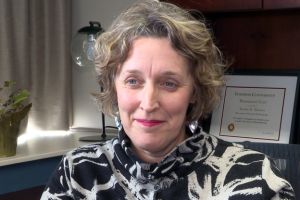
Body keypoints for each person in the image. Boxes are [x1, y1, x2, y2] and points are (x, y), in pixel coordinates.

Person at [41, 0, 295, 199]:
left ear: (195, 90)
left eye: (169, 83)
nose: (149, 103)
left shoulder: (253, 176)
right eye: (133, 81)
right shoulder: (78, 172)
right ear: (113, 86)